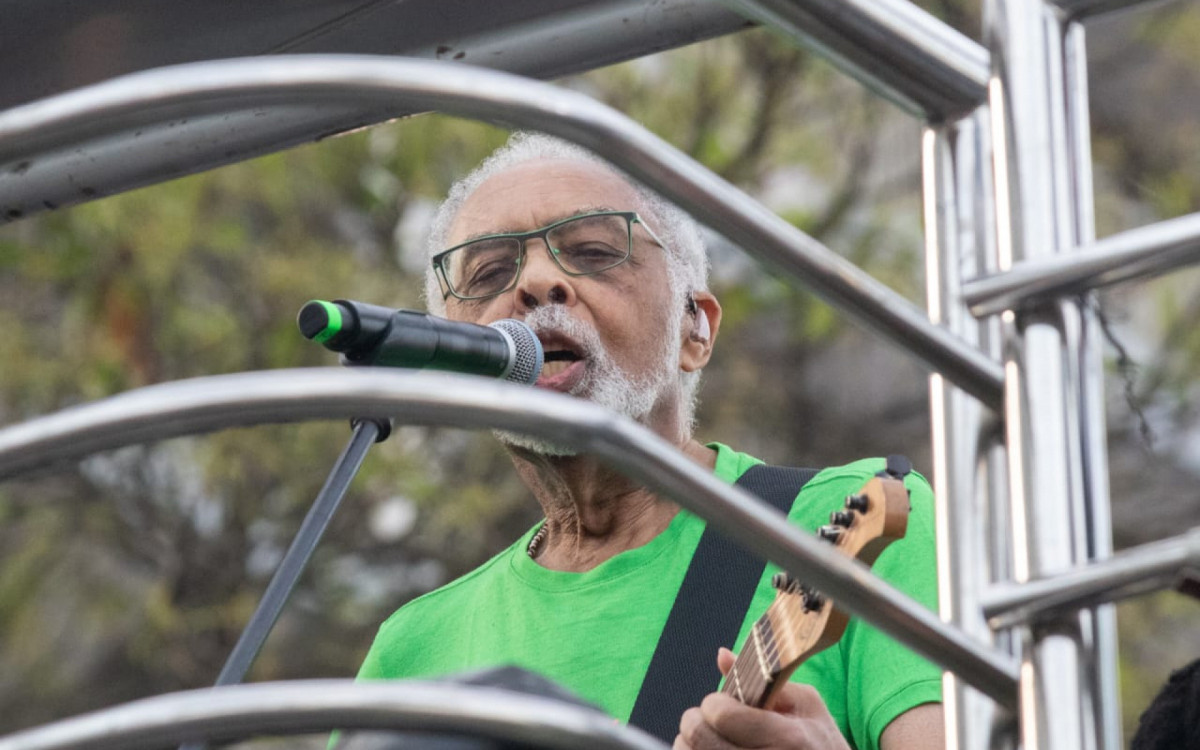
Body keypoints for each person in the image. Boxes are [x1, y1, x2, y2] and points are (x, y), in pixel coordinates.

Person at [356, 132, 945, 750]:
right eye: (491, 271)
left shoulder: (853, 519)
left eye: (592, 252)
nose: (536, 283)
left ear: (696, 329)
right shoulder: (411, 649)